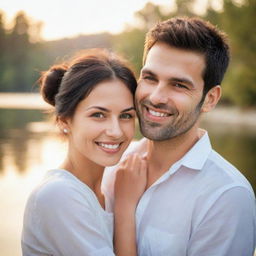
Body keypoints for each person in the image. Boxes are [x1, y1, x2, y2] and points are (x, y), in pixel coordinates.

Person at [102, 17, 256, 256]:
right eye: (150, 78)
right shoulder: (112, 161)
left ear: (210, 99)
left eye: (179, 85)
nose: (156, 97)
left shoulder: (227, 196)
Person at [21, 49, 147, 256]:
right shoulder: (58, 195)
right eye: (98, 114)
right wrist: (125, 208)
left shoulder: (106, 189)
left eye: (126, 116)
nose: (116, 131)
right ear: (65, 121)